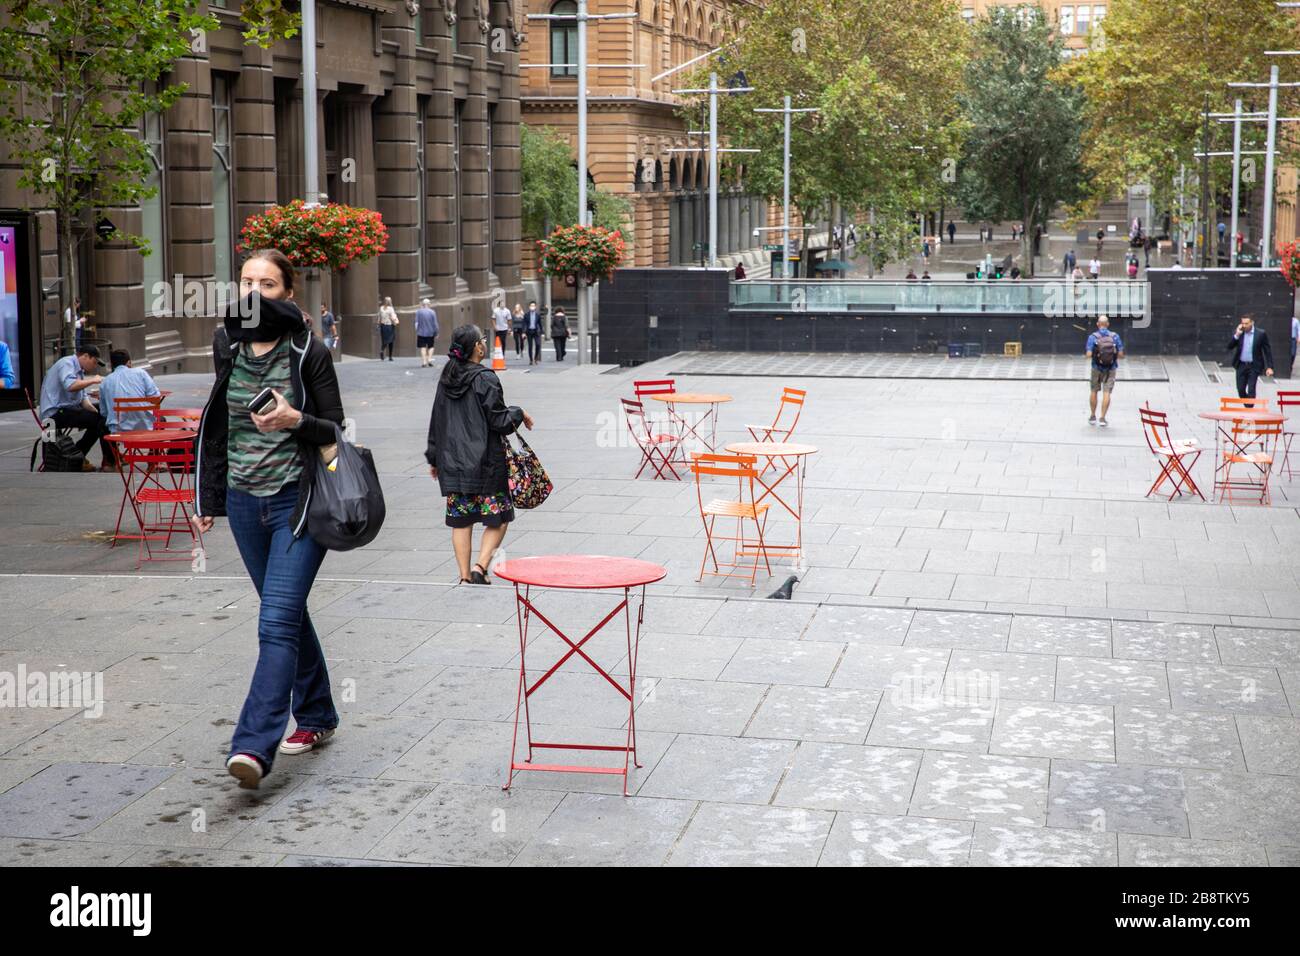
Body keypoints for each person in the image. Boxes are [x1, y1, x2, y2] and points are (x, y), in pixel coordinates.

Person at [192, 249, 345, 790]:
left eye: (269, 284)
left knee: (275, 621)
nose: (255, 292)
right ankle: (320, 712)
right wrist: (207, 500)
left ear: (288, 292)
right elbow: (219, 426)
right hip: (243, 502)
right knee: (286, 611)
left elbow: (333, 428)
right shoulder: (226, 342)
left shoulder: (308, 350)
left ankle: (253, 746)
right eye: (247, 281)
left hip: (297, 500)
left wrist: (295, 418)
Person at [426, 324, 534, 585]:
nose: (485, 344)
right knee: (499, 516)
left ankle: (464, 577)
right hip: (486, 464)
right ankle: (479, 566)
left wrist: (434, 458)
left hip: (453, 462)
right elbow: (500, 422)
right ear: (476, 346)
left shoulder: (447, 378)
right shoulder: (485, 377)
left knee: (461, 521)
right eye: (483, 340)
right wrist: (518, 413)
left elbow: (436, 420)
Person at [38, 344, 110, 471]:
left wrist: (96, 410)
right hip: (54, 414)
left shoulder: (79, 370)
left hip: (67, 409)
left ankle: (78, 455)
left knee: (103, 415)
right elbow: (70, 385)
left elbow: (83, 400)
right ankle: (82, 456)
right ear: (85, 356)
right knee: (99, 421)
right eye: (94, 362)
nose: (94, 366)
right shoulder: (67, 363)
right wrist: (93, 380)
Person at [98, 350, 161, 433]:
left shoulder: (105, 381)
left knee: (102, 424)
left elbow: (104, 412)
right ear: (129, 362)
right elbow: (156, 398)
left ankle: (112, 446)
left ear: (112, 365)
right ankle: (154, 444)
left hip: (118, 430)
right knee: (161, 419)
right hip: (146, 425)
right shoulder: (141, 373)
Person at [1086, 316, 1124, 427]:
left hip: (1096, 368)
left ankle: (1093, 416)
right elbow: (1121, 355)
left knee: (1094, 391)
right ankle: (1102, 418)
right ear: (1107, 324)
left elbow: (1088, 355)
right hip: (1111, 368)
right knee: (1106, 392)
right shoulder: (1115, 337)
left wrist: (1095, 354)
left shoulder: (1093, 337)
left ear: (1098, 324)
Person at [1227, 314, 1274, 399]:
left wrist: (1269, 367)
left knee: (1251, 389)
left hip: (1254, 366)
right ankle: (1248, 407)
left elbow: (1267, 351)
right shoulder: (1239, 333)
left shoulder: (1260, 334)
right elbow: (1229, 346)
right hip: (1241, 365)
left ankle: (1249, 407)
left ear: (1252, 322)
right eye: (1243, 323)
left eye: (1247, 323)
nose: (1244, 325)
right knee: (1240, 389)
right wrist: (1237, 335)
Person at [415, 298, 439, 368]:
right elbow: (435, 323)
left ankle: (424, 362)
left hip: (421, 332)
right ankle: (429, 360)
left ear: (423, 304)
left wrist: (417, 330)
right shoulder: (432, 312)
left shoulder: (418, 312)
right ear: (429, 304)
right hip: (430, 332)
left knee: (423, 347)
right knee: (431, 346)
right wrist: (437, 332)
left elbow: (416, 323)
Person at [377, 296, 398, 361]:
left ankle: (382, 350)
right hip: (390, 326)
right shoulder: (391, 309)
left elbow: (379, 317)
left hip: (383, 326)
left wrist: (378, 324)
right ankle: (390, 356)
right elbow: (393, 317)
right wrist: (395, 321)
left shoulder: (381, 308)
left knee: (384, 340)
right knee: (391, 341)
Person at [524, 300, 543, 365]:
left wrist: (541, 332)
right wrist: (523, 332)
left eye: (533, 306)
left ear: (535, 307)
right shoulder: (526, 315)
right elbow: (524, 323)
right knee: (530, 346)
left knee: (538, 344)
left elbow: (540, 324)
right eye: (531, 306)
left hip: (536, 331)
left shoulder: (538, 315)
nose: (532, 307)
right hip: (529, 331)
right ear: (529, 307)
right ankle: (531, 359)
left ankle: (535, 358)